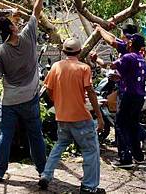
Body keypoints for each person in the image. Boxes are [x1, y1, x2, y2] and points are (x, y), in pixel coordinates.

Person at [0, 0, 48, 182]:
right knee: (35, 135)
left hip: (10, 101)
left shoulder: (1, 51)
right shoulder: (28, 36)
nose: (17, 23)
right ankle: (43, 171)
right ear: (11, 27)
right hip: (30, 98)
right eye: (13, 22)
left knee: (5, 135)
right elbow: (37, 11)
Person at [38, 38, 106, 194]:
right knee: (90, 151)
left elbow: (48, 89)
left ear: (63, 51)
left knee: (59, 145)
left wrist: (58, 102)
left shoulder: (55, 66)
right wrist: (99, 117)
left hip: (62, 116)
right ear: (79, 51)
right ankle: (89, 187)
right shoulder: (84, 68)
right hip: (81, 117)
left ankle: (46, 175)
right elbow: (90, 92)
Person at [92, 24, 146, 150]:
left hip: (127, 92)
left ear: (129, 39)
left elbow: (111, 42)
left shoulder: (127, 52)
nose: (125, 40)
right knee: (130, 121)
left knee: (121, 122)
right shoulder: (138, 55)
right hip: (137, 92)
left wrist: (99, 30)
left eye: (126, 38)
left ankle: (126, 153)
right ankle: (136, 152)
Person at [111, 34, 146, 168]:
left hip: (128, 95)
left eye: (129, 41)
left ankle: (125, 158)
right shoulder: (141, 59)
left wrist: (96, 59)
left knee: (120, 124)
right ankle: (138, 156)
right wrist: (120, 78)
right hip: (139, 96)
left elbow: (111, 65)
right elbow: (130, 74)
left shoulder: (127, 57)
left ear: (131, 43)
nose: (126, 42)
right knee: (133, 125)